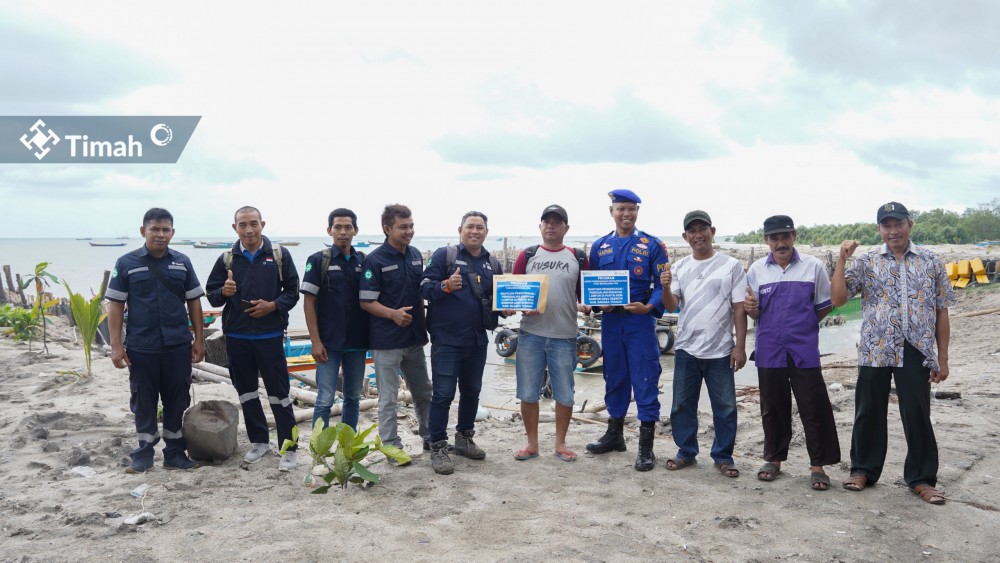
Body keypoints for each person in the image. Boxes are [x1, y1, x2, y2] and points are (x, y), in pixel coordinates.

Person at [831, 201, 954, 505]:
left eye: (898, 224)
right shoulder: (867, 260)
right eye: (886, 226)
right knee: (868, 411)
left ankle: (921, 479)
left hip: (915, 349)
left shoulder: (931, 261)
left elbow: (942, 310)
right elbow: (838, 299)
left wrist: (942, 358)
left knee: (917, 413)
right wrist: (842, 261)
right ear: (879, 230)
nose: (893, 231)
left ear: (909, 224)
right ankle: (863, 470)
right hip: (875, 347)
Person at [744, 215, 840, 490]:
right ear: (766, 241)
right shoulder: (756, 270)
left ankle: (818, 466)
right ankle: (773, 460)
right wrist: (752, 310)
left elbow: (824, 305)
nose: (780, 243)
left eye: (785, 236)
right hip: (769, 348)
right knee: (772, 407)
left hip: (803, 348)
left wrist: (803, 326)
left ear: (794, 236)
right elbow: (755, 312)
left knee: (814, 406)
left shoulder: (813, 266)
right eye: (774, 238)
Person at [106, 208, 205, 473]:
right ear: (143, 231)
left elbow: (194, 302)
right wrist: (116, 345)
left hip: (177, 346)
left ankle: (174, 454)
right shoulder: (126, 263)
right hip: (142, 347)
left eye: (165, 230)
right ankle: (143, 454)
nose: (160, 234)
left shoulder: (182, 262)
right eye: (154, 229)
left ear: (172, 232)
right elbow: (115, 305)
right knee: (143, 401)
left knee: (177, 399)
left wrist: (199, 340)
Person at [205, 206, 300, 471]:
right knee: (246, 393)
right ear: (234, 228)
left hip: (270, 335)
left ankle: (289, 448)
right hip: (236, 336)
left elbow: (293, 291)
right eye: (243, 224)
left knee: (280, 394)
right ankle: (259, 441)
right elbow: (212, 295)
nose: (249, 230)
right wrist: (224, 292)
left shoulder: (279, 255)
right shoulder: (227, 259)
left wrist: (273, 305)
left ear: (262, 225)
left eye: (253, 223)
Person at [586, 189, 669, 471]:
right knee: (614, 377)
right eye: (621, 208)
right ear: (611, 211)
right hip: (611, 323)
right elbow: (593, 285)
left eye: (631, 209)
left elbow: (661, 284)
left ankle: (646, 448)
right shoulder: (600, 246)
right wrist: (597, 305)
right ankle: (614, 435)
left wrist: (649, 307)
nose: (626, 214)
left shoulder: (652, 245)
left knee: (645, 379)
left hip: (640, 322)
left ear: (637, 212)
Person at [661, 210, 747, 478]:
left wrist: (740, 346)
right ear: (685, 236)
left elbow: (739, 308)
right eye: (692, 231)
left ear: (712, 231)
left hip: (721, 350)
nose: (698, 235)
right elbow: (671, 306)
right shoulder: (679, 267)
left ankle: (723, 456)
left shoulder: (731, 265)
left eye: (703, 229)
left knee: (726, 407)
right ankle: (686, 452)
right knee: (681, 405)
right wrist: (665, 287)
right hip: (686, 348)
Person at [420, 211, 502, 474]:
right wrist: (445, 286)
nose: (475, 231)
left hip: (477, 339)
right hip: (447, 339)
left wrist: (506, 308)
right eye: (470, 227)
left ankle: (464, 438)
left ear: (486, 232)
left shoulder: (492, 262)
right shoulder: (445, 256)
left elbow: (496, 298)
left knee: (472, 392)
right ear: (460, 230)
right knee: (443, 395)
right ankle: (438, 446)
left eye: (480, 227)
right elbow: (423, 287)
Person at [512, 204, 589, 463]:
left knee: (565, 393)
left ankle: (561, 444)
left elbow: (585, 295)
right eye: (547, 222)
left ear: (566, 228)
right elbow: (512, 292)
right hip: (530, 334)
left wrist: (587, 304)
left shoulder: (578, 257)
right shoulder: (527, 255)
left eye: (557, 222)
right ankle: (531, 444)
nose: (551, 226)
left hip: (565, 335)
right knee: (527, 392)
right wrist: (519, 305)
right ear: (540, 226)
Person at [359, 204, 432, 464]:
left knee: (424, 393)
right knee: (388, 399)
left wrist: (425, 328)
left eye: (411, 226)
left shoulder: (415, 255)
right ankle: (391, 447)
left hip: (414, 339)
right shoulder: (374, 260)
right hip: (387, 342)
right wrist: (392, 314)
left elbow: (420, 294)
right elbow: (366, 301)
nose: (409, 231)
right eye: (403, 227)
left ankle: (430, 437)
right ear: (387, 229)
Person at [300, 208, 369, 431]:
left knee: (353, 398)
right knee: (324, 399)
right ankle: (318, 446)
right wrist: (315, 341)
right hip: (328, 344)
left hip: (357, 343)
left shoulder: (363, 261)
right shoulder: (318, 260)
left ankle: (348, 444)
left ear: (355, 230)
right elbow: (308, 302)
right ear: (329, 230)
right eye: (338, 227)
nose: (343, 232)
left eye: (348, 227)